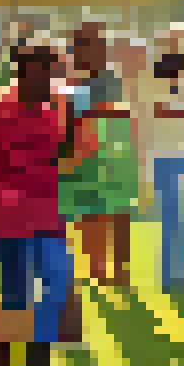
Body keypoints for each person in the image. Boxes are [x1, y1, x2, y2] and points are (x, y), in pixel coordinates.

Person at [0, 35, 79, 366]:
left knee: (56, 285)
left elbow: (65, 151)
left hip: (48, 210)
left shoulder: (57, 103)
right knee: (16, 297)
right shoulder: (2, 108)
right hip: (11, 212)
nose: (51, 77)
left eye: (53, 70)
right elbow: (10, 157)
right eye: (45, 70)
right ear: (25, 71)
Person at [59, 24, 137, 286]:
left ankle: (119, 267)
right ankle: (98, 267)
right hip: (87, 155)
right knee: (89, 213)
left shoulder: (108, 80)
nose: (78, 54)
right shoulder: (75, 81)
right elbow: (71, 118)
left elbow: (113, 116)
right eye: (77, 48)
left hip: (109, 154)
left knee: (114, 212)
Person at [145, 53, 184, 293]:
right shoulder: (157, 95)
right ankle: (169, 275)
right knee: (171, 219)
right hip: (166, 160)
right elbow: (162, 120)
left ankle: (174, 272)